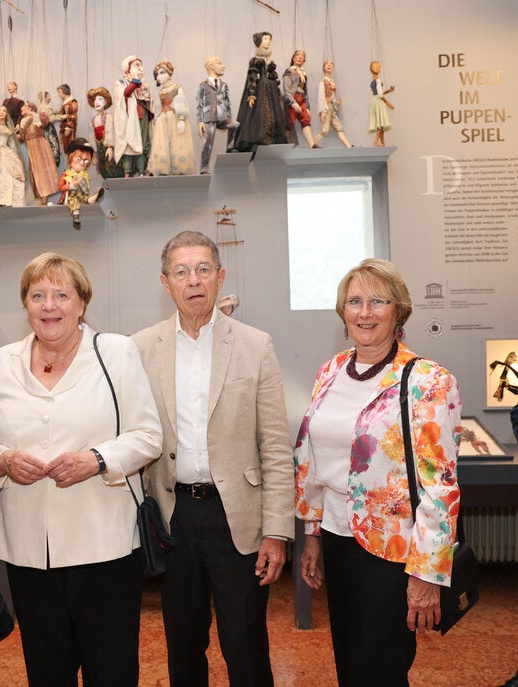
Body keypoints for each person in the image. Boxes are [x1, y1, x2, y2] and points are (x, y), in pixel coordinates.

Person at [0, 253, 162, 687]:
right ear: (25, 304)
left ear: (82, 303)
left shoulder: (115, 353)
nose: (49, 306)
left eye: (62, 295)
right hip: (28, 551)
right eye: (38, 295)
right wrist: (4, 460)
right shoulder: (3, 361)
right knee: (47, 673)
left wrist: (96, 459)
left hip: (105, 547)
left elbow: (148, 436)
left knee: (111, 672)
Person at [131, 230, 295, 687]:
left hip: (236, 517)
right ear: (165, 283)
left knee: (244, 643)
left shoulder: (255, 345)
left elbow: (275, 446)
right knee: (183, 644)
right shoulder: (140, 348)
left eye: (203, 269)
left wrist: (277, 530)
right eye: (181, 271)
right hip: (174, 517)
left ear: (220, 277)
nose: (193, 280)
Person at [295, 258, 461, 687]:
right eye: (354, 302)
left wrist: (425, 575)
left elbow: (440, 487)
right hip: (335, 538)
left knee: (381, 669)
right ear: (342, 312)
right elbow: (314, 460)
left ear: (398, 310)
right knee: (349, 663)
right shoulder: (330, 371)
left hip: (392, 551)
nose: (365, 312)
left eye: (378, 301)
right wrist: (312, 532)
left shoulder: (426, 380)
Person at [234, 31, 288, 152]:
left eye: (269, 39)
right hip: (260, 89)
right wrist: (251, 94)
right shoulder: (256, 60)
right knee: (259, 114)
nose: (268, 42)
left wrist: (277, 91)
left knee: (273, 113)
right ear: (259, 41)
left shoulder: (269, 60)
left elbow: (273, 77)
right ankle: (260, 139)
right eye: (265, 39)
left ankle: (272, 139)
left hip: (270, 88)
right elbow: (252, 77)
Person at [147, 61, 197, 176]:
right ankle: (162, 168)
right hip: (163, 119)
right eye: (157, 74)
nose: (159, 77)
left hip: (174, 118)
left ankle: (180, 168)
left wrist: (181, 119)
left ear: (169, 73)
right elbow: (158, 107)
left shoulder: (177, 88)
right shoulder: (161, 91)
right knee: (162, 143)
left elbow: (181, 103)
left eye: (162, 73)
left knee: (178, 142)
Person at [196, 56, 239, 175]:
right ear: (211, 66)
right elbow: (199, 105)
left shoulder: (224, 85)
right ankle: (204, 168)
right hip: (209, 117)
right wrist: (200, 122)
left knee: (235, 125)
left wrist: (229, 116)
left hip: (222, 116)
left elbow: (227, 102)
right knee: (208, 143)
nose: (223, 66)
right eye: (219, 63)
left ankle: (230, 147)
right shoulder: (203, 85)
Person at [113, 54, 153, 177]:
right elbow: (125, 94)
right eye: (136, 65)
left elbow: (148, 103)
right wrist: (135, 81)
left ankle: (141, 170)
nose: (140, 67)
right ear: (128, 69)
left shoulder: (144, 85)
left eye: (141, 65)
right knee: (128, 143)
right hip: (129, 119)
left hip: (142, 117)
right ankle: (127, 171)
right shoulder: (121, 83)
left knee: (143, 142)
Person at [57, 138, 104, 228]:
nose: (82, 163)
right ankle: (76, 214)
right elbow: (61, 187)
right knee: (73, 200)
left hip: (82, 197)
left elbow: (85, 188)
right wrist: (72, 185)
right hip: (71, 197)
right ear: (71, 158)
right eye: (78, 159)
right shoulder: (67, 174)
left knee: (84, 198)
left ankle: (91, 199)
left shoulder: (85, 176)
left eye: (86, 161)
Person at [18, 100, 58, 205]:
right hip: (33, 148)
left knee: (43, 171)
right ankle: (43, 198)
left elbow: (43, 123)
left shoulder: (34, 117)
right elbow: (22, 136)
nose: (21, 108)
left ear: (30, 108)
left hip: (40, 147)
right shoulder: (24, 120)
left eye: (24, 106)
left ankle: (44, 199)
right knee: (36, 172)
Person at [312, 60, 353, 148]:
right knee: (325, 130)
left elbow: (332, 98)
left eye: (331, 64)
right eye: (326, 64)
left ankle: (349, 146)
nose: (329, 65)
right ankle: (312, 144)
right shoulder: (322, 83)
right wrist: (323, 112)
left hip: (332, 109)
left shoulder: (332, 83)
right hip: (326, 108)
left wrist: (336, 102)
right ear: (323, 68)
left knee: (339, 128)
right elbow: (321, 98)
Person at [86, 87, 123, 179]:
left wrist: (110, 147)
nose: (97, 102)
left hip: (107, 148)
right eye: (95, 100)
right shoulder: (93, 120)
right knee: (103, 167)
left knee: (110, 166)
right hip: (100, 149)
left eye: (100, 99)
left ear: (106, 102)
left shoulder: (108, 117)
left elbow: (110, 132)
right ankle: (107, 181)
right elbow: (92, 136)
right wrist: (94, 151)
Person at [282, 50, 316, 148]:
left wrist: (307, 106)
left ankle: (312, 145)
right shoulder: (289, 71)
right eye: (298, 55)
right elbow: (287, 89)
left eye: (302, 56)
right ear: (293, 58)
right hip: (293, 97)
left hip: (302, 98)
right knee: (289, 122)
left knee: (306, 119)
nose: (300, 57)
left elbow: (305, 90)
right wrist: (293, 103)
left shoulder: (303, 73)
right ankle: (281, 144)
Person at [368, 60, 395, 147]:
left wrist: (389, 91)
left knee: (381, 125)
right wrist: (388, 103)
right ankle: (376, 141)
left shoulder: (373, 82)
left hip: (375, 100)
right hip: (379, 102)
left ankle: (383, 143)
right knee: (380, 123)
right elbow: (380, 95)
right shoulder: (378, 81)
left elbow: (379, 93)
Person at [57, 83, 78, 155]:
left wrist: (69, 127)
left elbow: (74, 116)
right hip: (64, 128)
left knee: (71, 147)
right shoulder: (65, 103)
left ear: (64, 91)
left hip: (69, 129)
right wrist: (61, 131)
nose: (58, 94)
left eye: (59, 92)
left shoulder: (71, 102)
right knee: (66, 148)